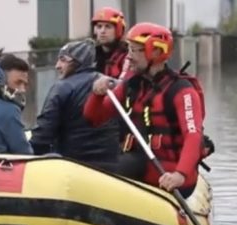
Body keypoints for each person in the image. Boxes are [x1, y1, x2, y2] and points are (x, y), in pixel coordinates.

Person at [83, 22, 205, 197]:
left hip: (170, 172)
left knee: (119, 167)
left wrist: (180, 174)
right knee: (101, 165)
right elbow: (93, 118)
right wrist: (96, 94)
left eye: (134, 50)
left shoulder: (182, 91)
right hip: (138, 163)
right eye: (128, 49)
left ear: (155, 52)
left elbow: (193, 135)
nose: (128, 57)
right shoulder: (131, 86)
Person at [29, 38, 119, 172]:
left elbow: (44, 131)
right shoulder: (112, 85)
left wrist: (26, 153)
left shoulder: (63, 87)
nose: (57, 65)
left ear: (78, 62)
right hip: (112, 167)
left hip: (73, 166)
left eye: (63, 59)